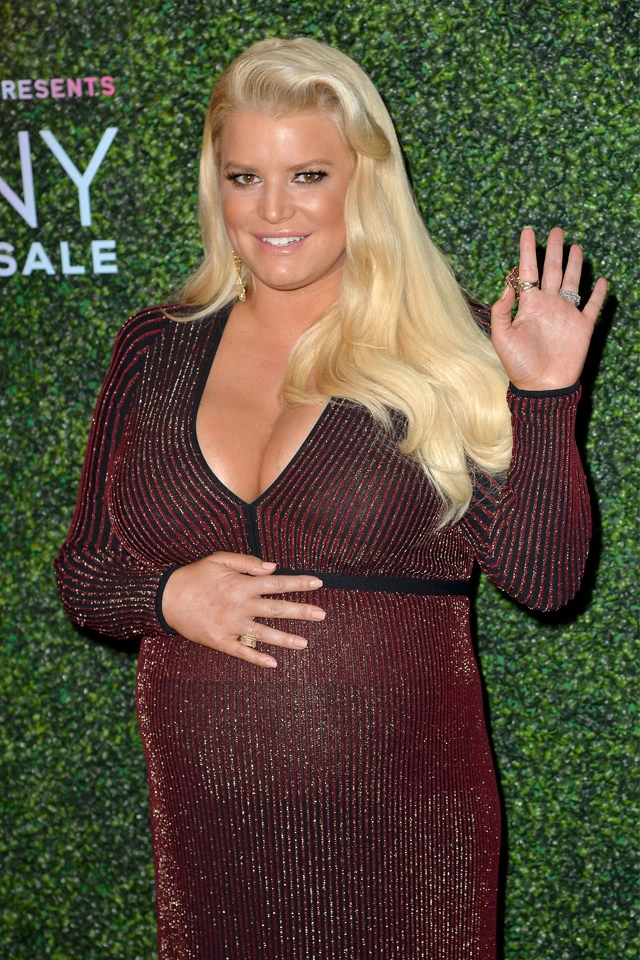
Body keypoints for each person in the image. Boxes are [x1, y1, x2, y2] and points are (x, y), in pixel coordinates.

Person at [54, 36, 607, 960]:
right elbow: (85, 571)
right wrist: (167, 597)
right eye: (245, 177)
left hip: (407, 839)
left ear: (365, 180)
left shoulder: (452, 346)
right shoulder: (156, 345)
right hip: (210, 841)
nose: (273, 210)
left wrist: (545, 398)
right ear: (216, 186)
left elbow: (546, 581)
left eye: (307, 174)